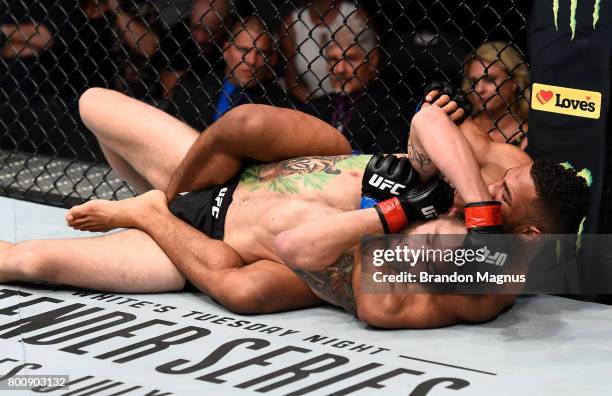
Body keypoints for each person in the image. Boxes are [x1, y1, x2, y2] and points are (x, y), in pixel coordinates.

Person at [0, 87, 590, 328]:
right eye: (507, 174)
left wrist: (398, 216)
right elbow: (431, 121)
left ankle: (153, 209)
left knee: (26, 261)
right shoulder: (491, 178)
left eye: (507, 192)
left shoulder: (472, 275)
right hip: (238, 177)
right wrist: (481, 198)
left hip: (209, 242)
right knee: (93, 103)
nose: (499, 179)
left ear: (529, 232)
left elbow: (348, 284)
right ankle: (162, 199)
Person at [304, 12, 412, 153]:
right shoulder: (313, 109)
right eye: (333, 59)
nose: (339, 69)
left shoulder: (393, 112)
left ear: (372, 60)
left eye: (350, 59)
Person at [169, 15, 293, 131]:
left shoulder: (282, 107)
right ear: (226, 50)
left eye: (261, 53)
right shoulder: (189, 91)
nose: (251, 60)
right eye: (243, 49)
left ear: (272, 59)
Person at [279, 0, 365, 101]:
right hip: (312, 104)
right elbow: (290, 77)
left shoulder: (357, 15)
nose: (340, 68)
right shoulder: (291, 23)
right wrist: (316, 108)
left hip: (358, 102)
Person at [462, 41, 530, 148]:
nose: (479, 89)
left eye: (490, 80)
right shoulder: (461, 129)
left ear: (514, 82)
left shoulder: (533, 136)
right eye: (474, 82)